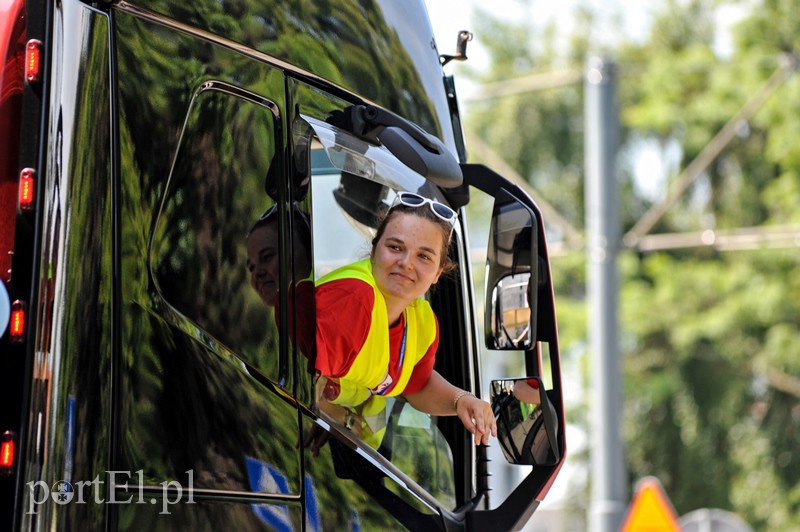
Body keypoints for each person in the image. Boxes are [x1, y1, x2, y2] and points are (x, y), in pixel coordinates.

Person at [314, 191, 497, 446]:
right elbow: (306, 381)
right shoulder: (354, 299)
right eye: (395, 247)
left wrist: (462, 400)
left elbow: (417, 384)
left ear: (437, 272)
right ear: (375, 248)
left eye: (423, 256)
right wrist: (341, 420)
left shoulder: (421, 323)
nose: (406, 263)